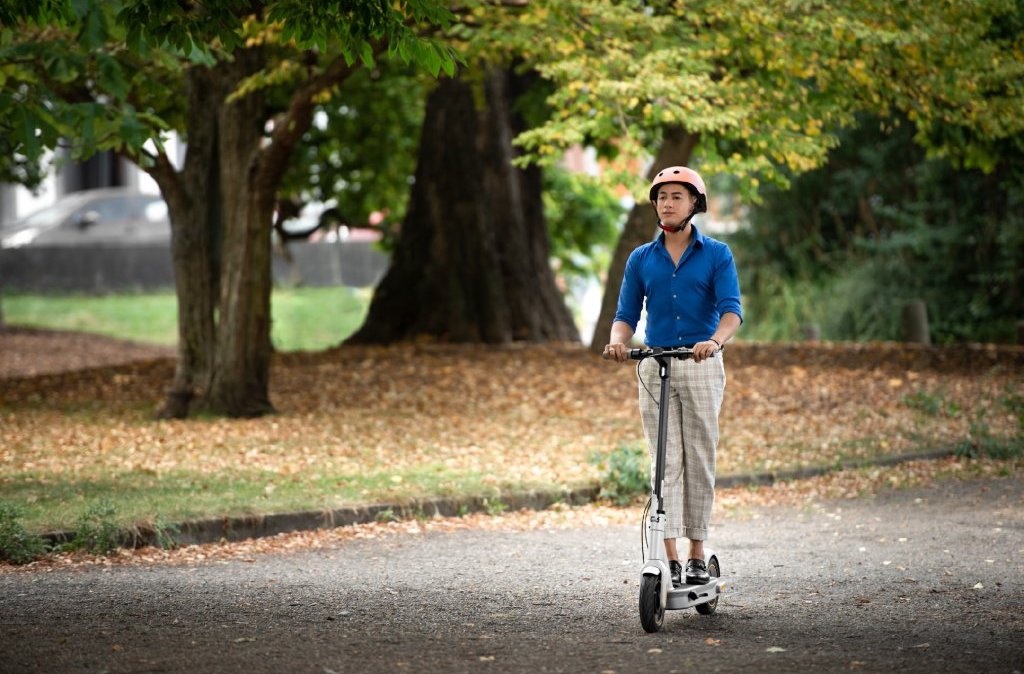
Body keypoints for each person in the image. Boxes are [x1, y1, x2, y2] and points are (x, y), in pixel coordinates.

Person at [604, 166, 742, 587]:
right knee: (664, 461)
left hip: (700, 361)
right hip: (655, 363)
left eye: (677, 196)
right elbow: (626, 315)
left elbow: (731, 311)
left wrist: (714, 342)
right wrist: (616, 342)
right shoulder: (641, 259)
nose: (667, 203)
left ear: (694, 204)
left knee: (698, 455)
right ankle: (669, 557)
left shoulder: (717, 254)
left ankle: (698, 553)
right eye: (662, 196)